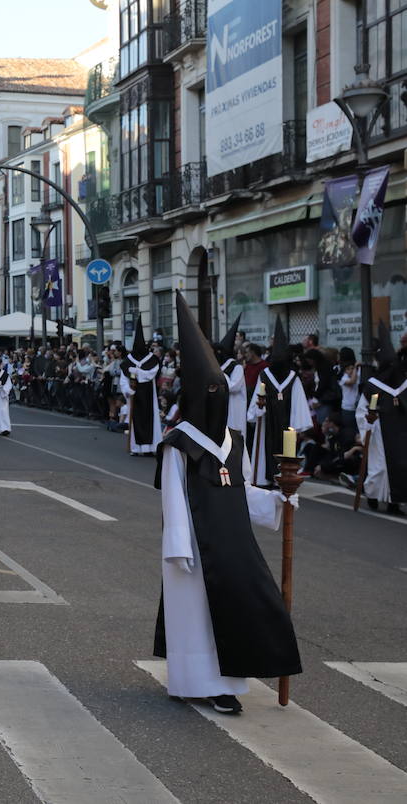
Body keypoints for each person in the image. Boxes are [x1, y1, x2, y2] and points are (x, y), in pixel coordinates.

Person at [154, 294, 300, 715]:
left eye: (222, 390)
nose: (218, 398)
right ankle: (192, 682)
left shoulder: (234, 441)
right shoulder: (177, 444)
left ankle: (226, 685)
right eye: (210, 391)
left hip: (232, 542)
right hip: (193, 548)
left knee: (238, 606)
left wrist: (278, 501)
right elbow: (174, 499)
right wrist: (178, 547)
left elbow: (241, 489)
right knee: (195, 619)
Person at [246, 320, 313, 487]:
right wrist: (258, 409)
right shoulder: (265, 375)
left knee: (285, 447)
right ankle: (264, 477)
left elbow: (298, 404)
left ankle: (284, 478)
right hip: (268, 424)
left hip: (286, 425)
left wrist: (297, 427)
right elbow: (256, 400)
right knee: (266, 448)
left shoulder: (292, 378)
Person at [355, 321, 405, 515]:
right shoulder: (373, 385)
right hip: (379, 434)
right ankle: (373, 495)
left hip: (400, 434)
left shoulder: (404, 384)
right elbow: (361, 410)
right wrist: (368, 420)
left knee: (400, 468)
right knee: (379, 468)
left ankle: (395, 502)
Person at [120, 322, 161, 456]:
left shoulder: (152, 360)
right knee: (136, 421)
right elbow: (123, 379)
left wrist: (136, 372)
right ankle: (136, 448)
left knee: (150, 420)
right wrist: (128, 390)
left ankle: (149, 448)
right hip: (135, 395)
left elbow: (151, 373)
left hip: (148, 394)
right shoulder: (128, 361)